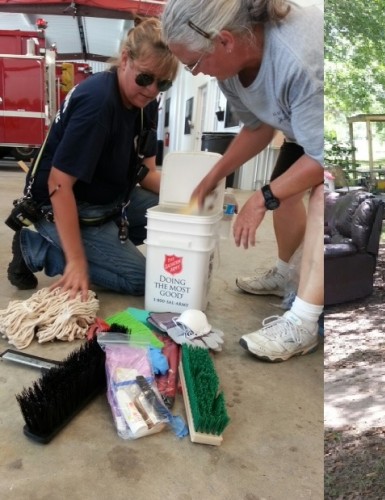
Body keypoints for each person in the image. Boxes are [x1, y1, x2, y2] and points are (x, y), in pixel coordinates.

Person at [162, 0, 325, 362]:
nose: (193, 73)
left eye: (192, 63)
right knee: (284, 191)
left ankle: (303, 321)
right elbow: (257, 128)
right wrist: (211, 178)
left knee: (319, 201)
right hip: (303, 132)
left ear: (224, 41)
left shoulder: (301, 59)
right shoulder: (228, 70)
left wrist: (259, 198)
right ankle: (287, 274)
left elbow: (322, 159)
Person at [6, 18, 178, 298]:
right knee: (145, 283)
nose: (152, 90)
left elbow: (146, 173)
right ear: (125, 60)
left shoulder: (147, 104)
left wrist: (192, 197)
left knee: (174, 212)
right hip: (66, 203)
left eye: (164, 84)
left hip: (112, 201)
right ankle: (36, 248)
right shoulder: (98, 104)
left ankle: (99, 250)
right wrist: (76, 261)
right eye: (145, 78)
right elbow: (58, 183)